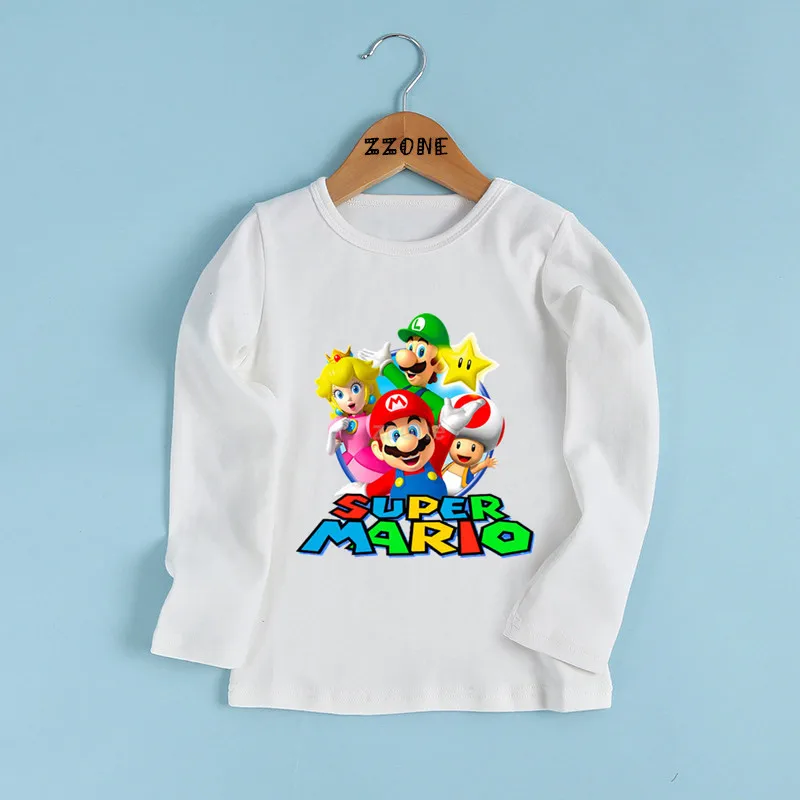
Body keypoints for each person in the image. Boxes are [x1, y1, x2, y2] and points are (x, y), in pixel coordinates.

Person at [362, 388, 484, 500]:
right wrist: (358, 492)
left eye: (413, 431)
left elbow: (443, 442)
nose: (407, 444)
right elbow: (371, 490)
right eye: (395, 436)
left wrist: (449, 426)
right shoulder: (392, 477)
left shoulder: (433, 462)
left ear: (434, 433)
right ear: (378, 450)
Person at [315, 347, 389, 484]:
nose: (349, 398)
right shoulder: (337, 424)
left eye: (355, 389)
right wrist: (332, 433)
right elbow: (330, 451)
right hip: (350, 465)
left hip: (370, 464)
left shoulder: (370, 420)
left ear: (368, 388)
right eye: (339, 394)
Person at [441, 394, 505, 495]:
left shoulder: (467, 472)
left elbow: (475, 469)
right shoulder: (446, 465)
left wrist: (485, 464)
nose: (464, 451)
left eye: (473, 448)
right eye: (458, 445)